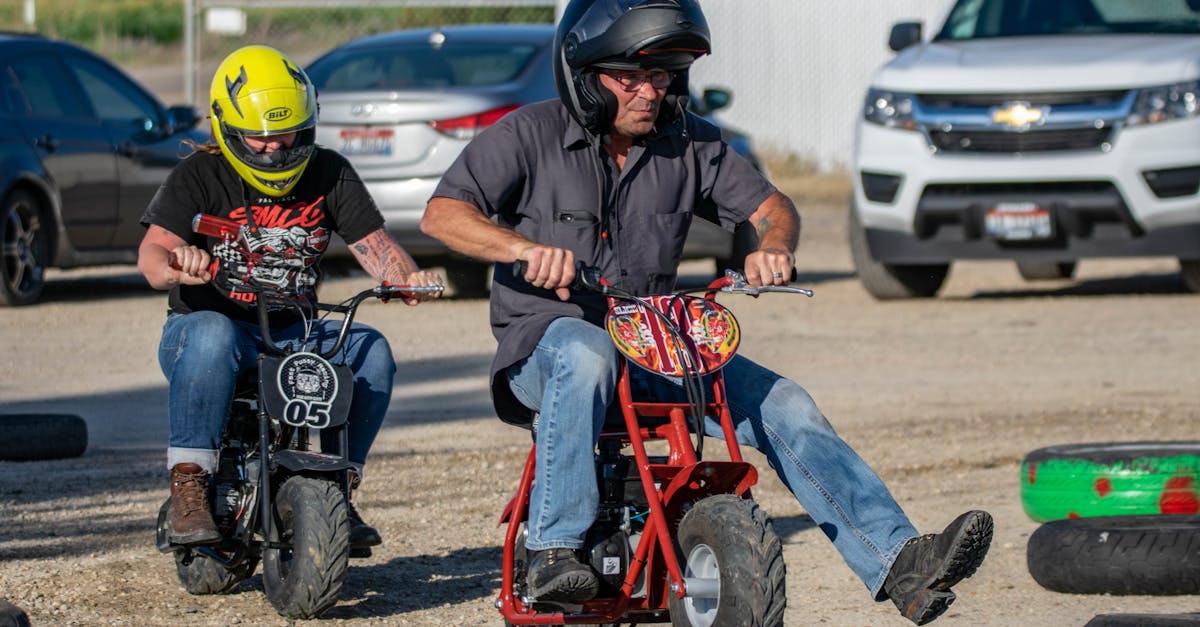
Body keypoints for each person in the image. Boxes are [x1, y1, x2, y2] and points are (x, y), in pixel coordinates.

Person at [420, 1, 994, 624]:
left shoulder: (692, 142)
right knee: (586, 353)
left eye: (662, 77)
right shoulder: (527, 134)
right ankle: (555, 548)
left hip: (650, 341)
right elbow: (443, 213)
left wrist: (773, 247)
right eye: (630, 79)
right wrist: (522, 249)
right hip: (545, 347)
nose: (649, 92)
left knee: (784, 403)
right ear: (584, 76)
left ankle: (898, 561)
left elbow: (773, 207)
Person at [138, 45, 443, 555]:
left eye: (289, 135)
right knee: (212, 332)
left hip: (292, 327)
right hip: (210, 329)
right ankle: (189, 484)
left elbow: (378, 248)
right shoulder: (198, 176)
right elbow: (151, 257)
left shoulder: (329, 172)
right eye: (260, 137)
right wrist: (178, 261)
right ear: (227, 129)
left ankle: (338, 486)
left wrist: (407, 278)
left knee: (371, 350)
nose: (276, 149)